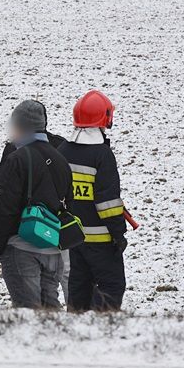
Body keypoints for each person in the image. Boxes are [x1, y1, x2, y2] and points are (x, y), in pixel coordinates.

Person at [0, 100, 72, 309]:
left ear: (20, 125)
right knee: (49, 314)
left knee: (28, 315)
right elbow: (69, 203)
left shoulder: (17, 158)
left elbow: (4, 205)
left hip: (21, 248)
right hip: (53, 249)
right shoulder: (61, 157)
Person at [58, 90, 126, 312]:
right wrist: (118, 233)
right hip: (101, 239)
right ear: (105, 118)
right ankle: (101, 331)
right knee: (112, 286)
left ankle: (77, 329)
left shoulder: (63, 151)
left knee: (78, 286)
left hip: (73, 237)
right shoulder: (102, 155)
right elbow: (107, 202)